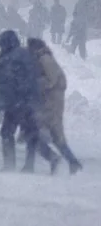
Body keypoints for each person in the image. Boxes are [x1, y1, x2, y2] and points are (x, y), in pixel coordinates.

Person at [0, 30, 60, 174]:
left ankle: (13, 164)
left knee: (11, 132)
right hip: (23, 102)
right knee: (28, 134)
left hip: (19, 102)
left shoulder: (14, 57)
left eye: (1, 44)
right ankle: (39, 161)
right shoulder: (20, 55)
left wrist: (12, 98)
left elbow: (9, 79)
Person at [27, 38, 83, 174]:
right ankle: (71, 162)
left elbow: (51, 80)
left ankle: (56, 158)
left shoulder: (45, 59)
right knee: (55, 136)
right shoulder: (43, 58)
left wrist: (35, 83)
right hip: (50, 103)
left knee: (35, 134)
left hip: (51, 104)